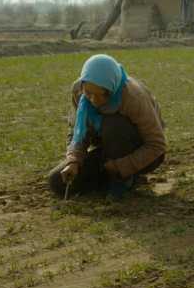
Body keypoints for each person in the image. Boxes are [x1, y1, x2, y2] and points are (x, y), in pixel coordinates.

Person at [48, 54, 166, 199]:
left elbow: (157, 145)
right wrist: (74, 160)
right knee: (56, 182)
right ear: (83, 85)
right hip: (107, 149)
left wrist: (122, 166)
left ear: (112, 89)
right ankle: (111, 177)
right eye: (89, 93)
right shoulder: (78, 92)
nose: (94, 100)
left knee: (112, 124)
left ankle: (124, 178)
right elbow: (77, 132)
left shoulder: (133, 97)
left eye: (102, 95)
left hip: (141, 152)